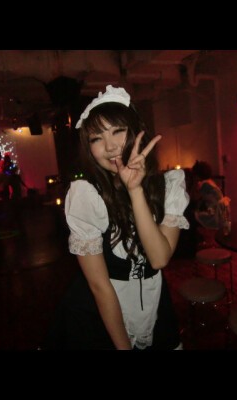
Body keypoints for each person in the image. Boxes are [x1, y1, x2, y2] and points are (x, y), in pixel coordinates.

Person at [44, 85, 190, 350]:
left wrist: (135, 191)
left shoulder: (167, 186)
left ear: (135, 132)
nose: (109, 147)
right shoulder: (87, 196)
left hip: (155, 303)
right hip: (99, 314)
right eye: (96, 138)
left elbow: (159, 259)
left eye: (117, 131)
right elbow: (99, 286)